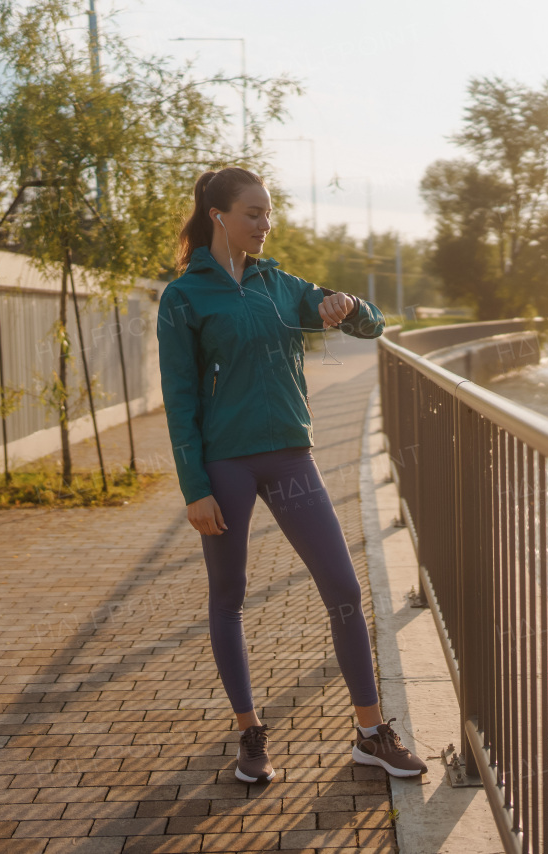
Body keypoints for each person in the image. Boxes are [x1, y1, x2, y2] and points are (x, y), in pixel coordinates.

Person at [156, 166, 427, 783]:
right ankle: (250, 733)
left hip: (291, 458)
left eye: (269, 212)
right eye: (253, 213)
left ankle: (369, 734)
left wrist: (349, 305)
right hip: (225, 466)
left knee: (343, 589)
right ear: (218, 216)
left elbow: (373, 324)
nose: (265, 223)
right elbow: (180, 398)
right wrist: (194, 487)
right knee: (228, 598)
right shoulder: (184, 297)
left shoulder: (280, 285)